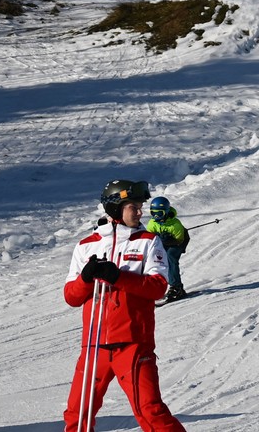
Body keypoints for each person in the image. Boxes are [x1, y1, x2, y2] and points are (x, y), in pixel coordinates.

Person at [63, 179, 185, 432]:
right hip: (94, 347)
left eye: (140, 206)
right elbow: (71, 297)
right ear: (116, 208)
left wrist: (118, 276)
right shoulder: (87, 245)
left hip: (133, 344)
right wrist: (86, 279)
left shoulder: (148, 241)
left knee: (150, 411)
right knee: (77, 415)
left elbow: (157, 287)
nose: (140, 212)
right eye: (134, 206)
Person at [145, 196, 191, 301]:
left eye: (159, 213)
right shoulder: (152, 223)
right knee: (153, 259)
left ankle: (176, 287)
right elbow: (149, 237)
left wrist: (168, 239)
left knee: (170, 258)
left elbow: (179, 240)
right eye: (153, 213)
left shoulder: (175, 224)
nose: (156, 216)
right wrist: (157, 237)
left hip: (178, 243)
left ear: (166, 212)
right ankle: (152, 285)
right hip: (163, 243)